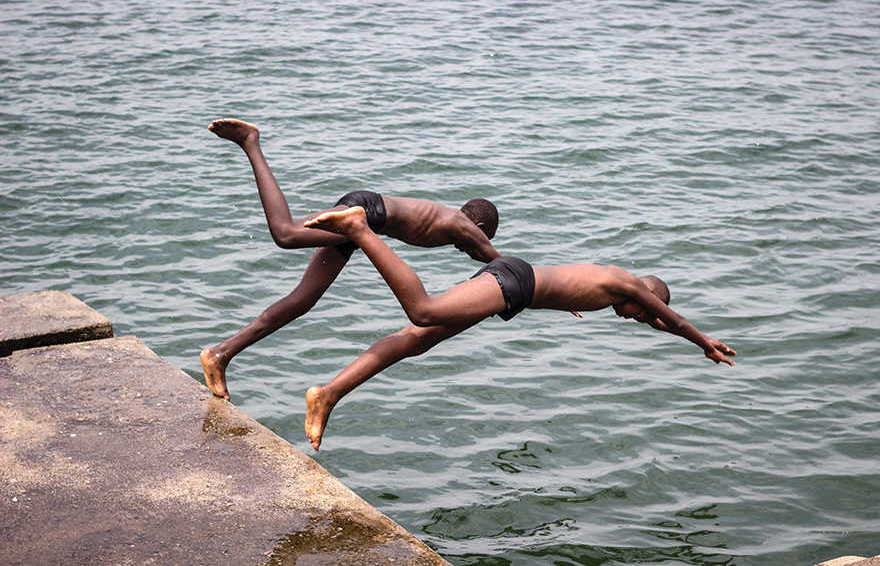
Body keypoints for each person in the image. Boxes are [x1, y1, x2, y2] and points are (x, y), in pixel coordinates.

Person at [302, 206, 736, 450]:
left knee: (417, 340)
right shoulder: (625, 281)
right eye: (639, 312)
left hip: (515, 285)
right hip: (513, 282)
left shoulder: (618, 292)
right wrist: (703, 341)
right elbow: (672, 320)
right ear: (645, 292)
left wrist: (559, 304)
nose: (632, 317)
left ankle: (329, 394)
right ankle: (359, 228)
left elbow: (661, 322)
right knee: (423, 311)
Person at [200, 119, 502, 400]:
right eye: (485, 236)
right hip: (366, 213)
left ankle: (221, 354)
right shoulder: (464, 225)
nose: (473, 247)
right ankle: (251, 141)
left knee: (303, 300)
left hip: (364, 224)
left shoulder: (452, 222)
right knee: (286, 233)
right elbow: (500, 265)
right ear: (479, 228)